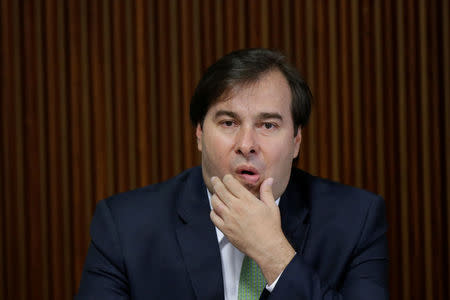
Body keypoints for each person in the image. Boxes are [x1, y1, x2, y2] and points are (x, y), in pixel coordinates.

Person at [76, 48, 389, 299]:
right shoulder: (125, 226)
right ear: (199, 133)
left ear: (296, 141)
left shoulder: (356, 220)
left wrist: (274, 255)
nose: (246, 144)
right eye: (228, 123)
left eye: (268, 125)